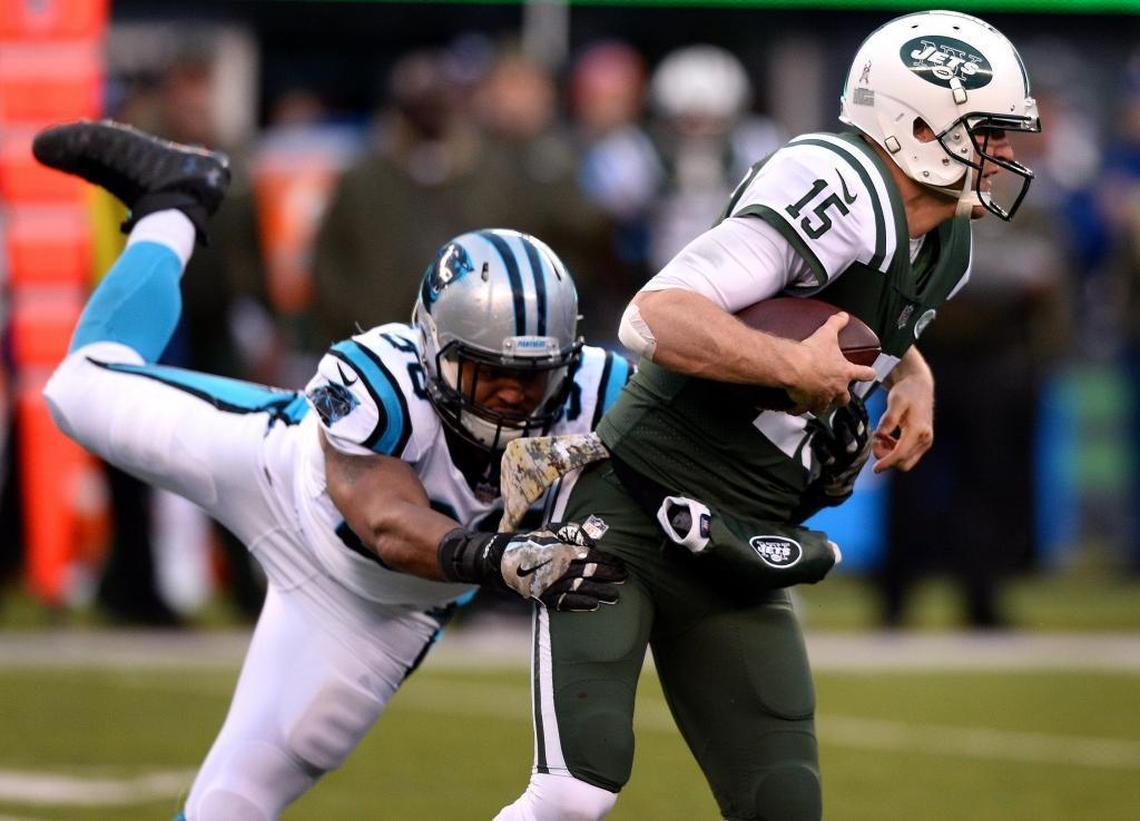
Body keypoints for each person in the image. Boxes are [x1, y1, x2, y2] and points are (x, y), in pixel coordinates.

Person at [494, 10, 1040, 820]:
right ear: (918, 125)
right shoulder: (838, 184)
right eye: (989, 132)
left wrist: (913, 369)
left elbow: (864, 317)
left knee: (784, 802)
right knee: (576, 789)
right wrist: (789, 364)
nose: (1005, 155)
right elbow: (655, 315)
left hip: (738, 539)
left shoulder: (945, 247)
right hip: (633, 513)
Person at [32, 120, 631, 819]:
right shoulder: (381, 374)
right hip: (275, 475)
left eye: (532, 375)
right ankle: (175, 202)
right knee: (75, 389)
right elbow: (384, 518)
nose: (512, 393)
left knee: (231, 805)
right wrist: (500, 555)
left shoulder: (599, 392)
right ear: (432, 348)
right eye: (487, 370)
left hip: (375, 609)